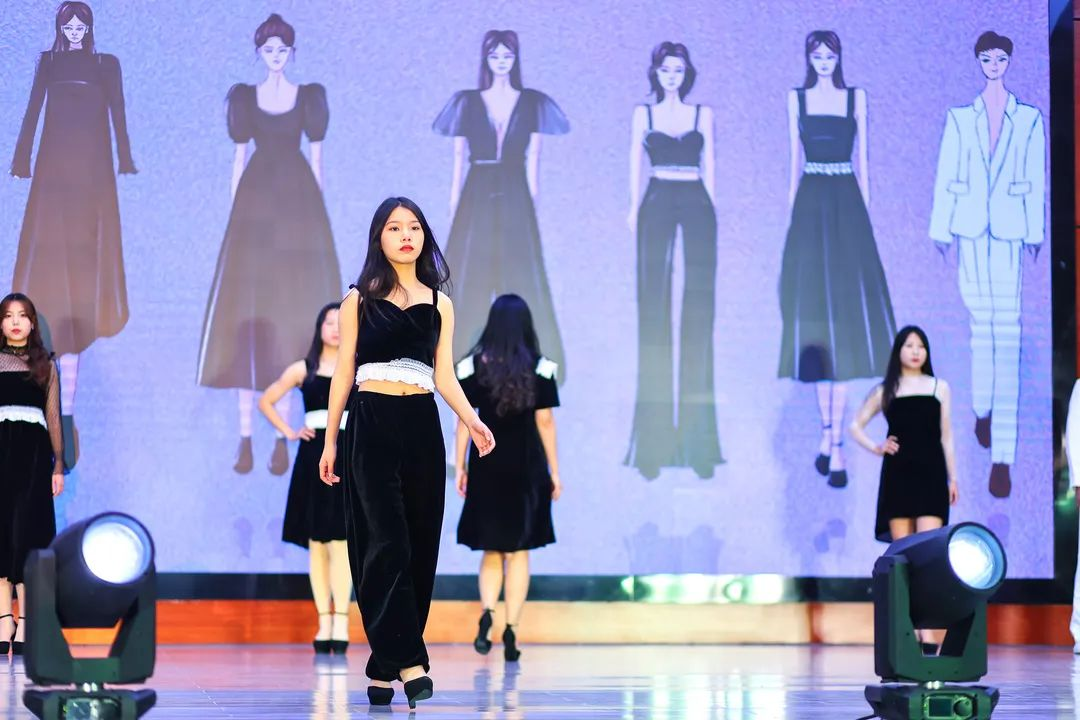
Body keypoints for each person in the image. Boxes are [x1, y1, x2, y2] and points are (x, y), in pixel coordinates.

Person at [319, 197, 495, 708]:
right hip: (370, 423)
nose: (405, 236)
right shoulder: (358, 300)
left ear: (424, 237)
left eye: (414, 227)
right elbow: (344, 372)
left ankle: (382, 666)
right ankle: (412, 663)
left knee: (418, 545)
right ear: (379, 237)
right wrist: (331, 439)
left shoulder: (440, 304)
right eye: (395, 228)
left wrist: (472, 419)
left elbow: (444, 376)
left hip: (421, 426)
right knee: (386, 543)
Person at [197, 13, 342, 476]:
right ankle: (245, 437)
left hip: (297, 212)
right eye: (268, 50)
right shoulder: (245, 98)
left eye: (282, 50)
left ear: (292, 53)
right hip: (255, 212)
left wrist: (316, 221)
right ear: (259, 53)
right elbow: (238, 160)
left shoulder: (308, 98)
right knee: (248, 324)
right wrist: (236, 219)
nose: (275, 56)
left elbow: (317, 162)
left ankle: (282, 438)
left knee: (291, 322)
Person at [11, 2, 136, 471]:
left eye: (82, 25)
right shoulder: (49, 62)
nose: (76, 31)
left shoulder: (106, 64)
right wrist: (22, 158)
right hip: (53, 175)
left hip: (91, 175)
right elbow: (33, 111)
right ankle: (46, 407)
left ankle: (65, 413)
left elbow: (117, 113)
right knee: (52, 284)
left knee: (81, 292)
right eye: (69, 25)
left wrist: (125, 158)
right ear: (60, 28)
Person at [928, 31, 1045, 498]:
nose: (993, 65)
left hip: (1010, 231)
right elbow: (946, 171)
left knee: (1008, 333)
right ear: (978, 62)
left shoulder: (1029, 118)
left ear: (1009, 62)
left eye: (1000, 58)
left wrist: (1034, 232)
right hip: (971, 229)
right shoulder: (961, 118)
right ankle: (982, 409)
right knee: (982, 327)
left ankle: (1003, 458)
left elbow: (1035, 175)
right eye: (986, 58)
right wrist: (941, 228)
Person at [778, 30, 896, 489]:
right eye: (817, 55)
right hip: (810, 208)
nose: (824, 61)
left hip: (847, 210)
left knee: (843, 331)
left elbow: (864, 166)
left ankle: (834, 442)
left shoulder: (855, 99)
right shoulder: (797, 99)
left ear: (838, 58)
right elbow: (793, 164)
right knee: (817, 327)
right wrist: (793, 222)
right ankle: (831, 437)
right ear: (809, 59)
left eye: (830, 55)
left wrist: (863, 219)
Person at [433, 29, 569, 382]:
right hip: (476, 191)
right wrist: (454, 202)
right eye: (495, 56)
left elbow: (535, 158)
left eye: (507, 56)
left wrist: (532, 206)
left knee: (521, 273)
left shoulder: (532, 102)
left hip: (515, 191)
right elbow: (458, 157)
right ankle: (457, 363)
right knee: (469, 274)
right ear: (486, 59)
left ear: (515, 59)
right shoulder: (467, 101)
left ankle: (529, 361)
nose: (501, 62)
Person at [624, 41, 723, 481]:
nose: (672, 76)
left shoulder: (702, 114)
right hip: (657, 197)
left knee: (699, 315)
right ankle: (653, 444)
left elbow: (711, 163)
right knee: (653, 316)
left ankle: (699, 445)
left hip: (697, 199)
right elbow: (634, 163)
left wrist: (713, 208)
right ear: (656, 72)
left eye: (678, 70)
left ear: (687, 73)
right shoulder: (643, 115)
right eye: (666, 69)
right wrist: (632, 209)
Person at [454, 294, 561, 661]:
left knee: (491, 548)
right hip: (527, 468)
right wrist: (555, 472)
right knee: (518, 552)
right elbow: (545, 421)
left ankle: (487, 612)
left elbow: (464, 422)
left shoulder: (470, 366)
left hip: (487, 465)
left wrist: (460, 466)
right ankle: (512, 628)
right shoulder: (542, 367)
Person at [850, 326, 958, 651]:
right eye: (909, 345)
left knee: (930, 555)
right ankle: (909, 628)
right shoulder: (887, 389)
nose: (915, 351)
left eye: (920, 346)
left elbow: (946, 437)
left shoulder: (939, 387)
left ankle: (928, 632)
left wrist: (953, 478)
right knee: (903, 557)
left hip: (931, 475)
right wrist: (877, 447)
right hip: (898, 476)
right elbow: (855, 426)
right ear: (898, 350)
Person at [258, 303, 351, 654]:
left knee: (342, 543)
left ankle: (341, 620)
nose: (335, 328)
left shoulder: (357, 367)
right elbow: (266, 401)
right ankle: (324, 621)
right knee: (317, 543)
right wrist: (290, 431)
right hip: (312, 457)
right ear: (319, 328)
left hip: (346, 456)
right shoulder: (304, 368)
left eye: (341, 322)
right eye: (329, 322)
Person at [0, 293, 64, 655]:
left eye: (22, 316)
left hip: (33, 458)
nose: (15, 322)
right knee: (1, 535)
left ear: (32, 322)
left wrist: (58, 464)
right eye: (8, 316)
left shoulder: (45, 364)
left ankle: (25, 622)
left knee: (27, 534)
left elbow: (53, 417)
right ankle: (2, 620)